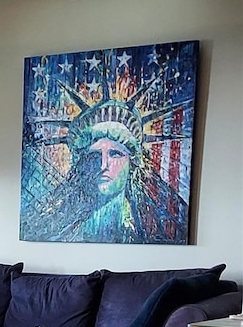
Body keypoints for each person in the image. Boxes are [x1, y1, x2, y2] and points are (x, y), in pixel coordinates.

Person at [35, 100, 187, 244]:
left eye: (115, 154)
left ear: (132, 163)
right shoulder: (60, 233)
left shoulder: (142, 236)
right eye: (94, 155)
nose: (103, 165)